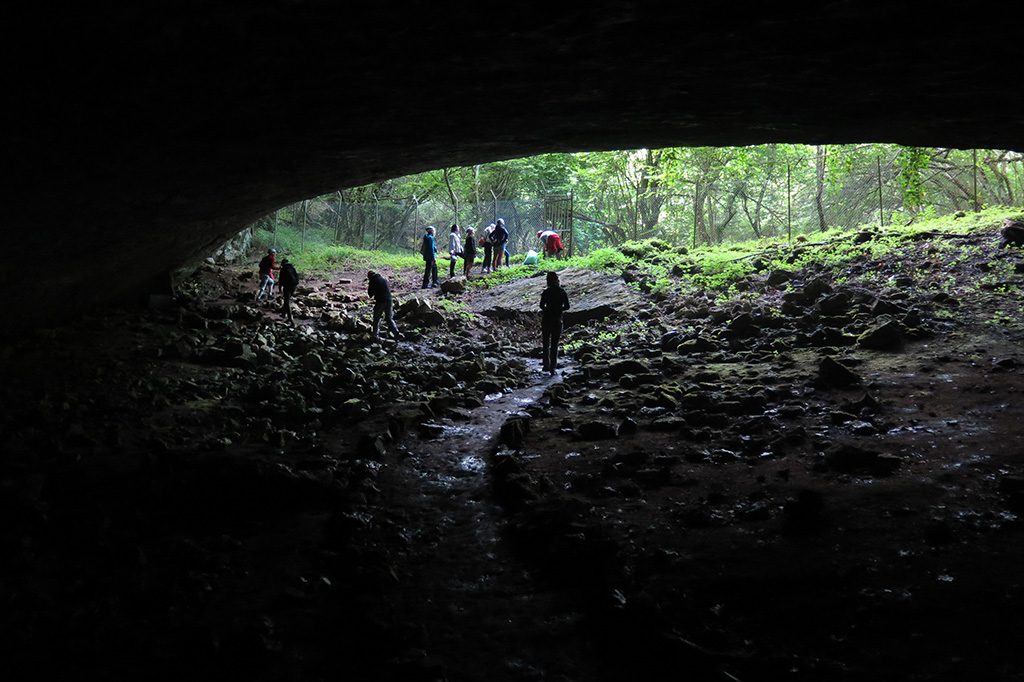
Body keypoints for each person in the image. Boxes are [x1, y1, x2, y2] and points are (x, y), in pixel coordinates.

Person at [539, 270, 570, 375]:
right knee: (554, 345)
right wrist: (559, 310)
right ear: (557, 280)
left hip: (546, 320)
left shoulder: (546, 292)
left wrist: (547, 310)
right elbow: (567, 306)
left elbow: (541, 305)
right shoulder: (562, 292)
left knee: (546, 343)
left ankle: (546, 365)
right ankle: (553, 367)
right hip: (557, 320)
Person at [367, 270, 401, 340]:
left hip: (381, 301)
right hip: (389, 300)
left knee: (376, 318)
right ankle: (396, 332)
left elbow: (370, 294)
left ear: (369, 277)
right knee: (389, 318)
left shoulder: (373, 281)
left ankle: (375, 335)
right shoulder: (383, 279)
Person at [278, 257, 299, 324]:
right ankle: (284, 314)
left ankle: (291, 319)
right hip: (294, 286)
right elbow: (297, 277)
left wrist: (280, 288)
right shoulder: (292, 268)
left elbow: (280, 280)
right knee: (287, 300)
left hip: (287, 286)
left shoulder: (283, 269)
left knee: (287, 302)